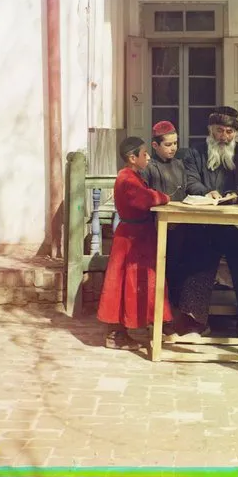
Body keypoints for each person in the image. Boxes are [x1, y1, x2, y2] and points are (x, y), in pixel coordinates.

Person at [173, 106, 238, 337]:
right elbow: (191, 182)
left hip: (235, 222)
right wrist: (206, 192)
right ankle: (194, 321)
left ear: (235, 133)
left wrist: (236, 197)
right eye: (219, 131)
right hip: (203, 224)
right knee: (194, 256)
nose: (224, 136)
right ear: (211, 130)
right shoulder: (195, 153)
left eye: (229, 132)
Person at [98, 136, 173, 350]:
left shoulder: (132, 175)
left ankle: (139, 325)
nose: (148, 157)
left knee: (137, 282)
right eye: (144, 154)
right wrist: (163, 197)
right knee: (124, 283)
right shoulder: (127, 178)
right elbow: (145, 199)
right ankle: (116, 334)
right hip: (131, 239)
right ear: (132, 158)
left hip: (138, 236)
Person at [142, 120, 187, 310]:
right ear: (155, 145)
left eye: (175, 143)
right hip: (157, 227)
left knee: (179, 269)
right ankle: (158, 313)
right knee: (160, 271)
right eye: (168, 145)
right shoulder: (149, 168)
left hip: (181, 227)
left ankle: (175, 312)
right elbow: (144, 198)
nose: (173, 148)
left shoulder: (179, 165)